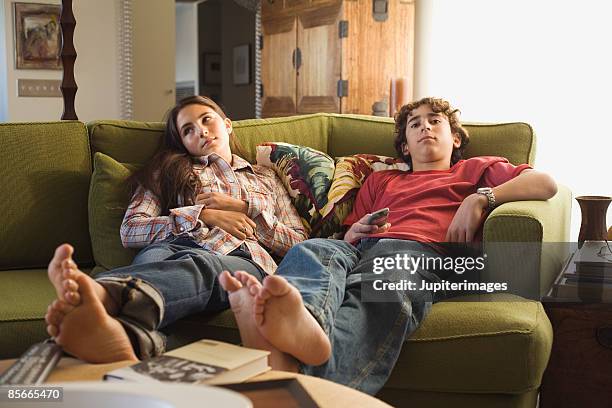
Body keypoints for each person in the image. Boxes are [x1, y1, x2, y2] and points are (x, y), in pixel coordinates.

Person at [217, 97, 559, 394]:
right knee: (312, 250)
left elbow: (545, 184)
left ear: (455, 138)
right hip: (362, 247)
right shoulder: (382, 179)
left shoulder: (475, 169)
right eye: (415, 124)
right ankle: (303, 324)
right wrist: (356, 232)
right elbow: (350, 235)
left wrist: (481, 198)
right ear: (406, 146)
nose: (425, 127)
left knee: (385, 283)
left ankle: (303, 376)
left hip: (424, 254)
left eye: (434, 121)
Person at [44, 95, 307, 363]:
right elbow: (132, 230)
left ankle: (104, 293)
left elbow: (299, 242)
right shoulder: (166, 171)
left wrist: (242, 208)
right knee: (158, 260)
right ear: (182, 142)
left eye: (207, 120)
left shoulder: (266, 177)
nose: (201, 131)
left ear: (227, 124)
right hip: (168, 249)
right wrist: (205, 215)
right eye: (188, 130)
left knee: (204, 267)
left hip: (238, 257)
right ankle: (122, 335)